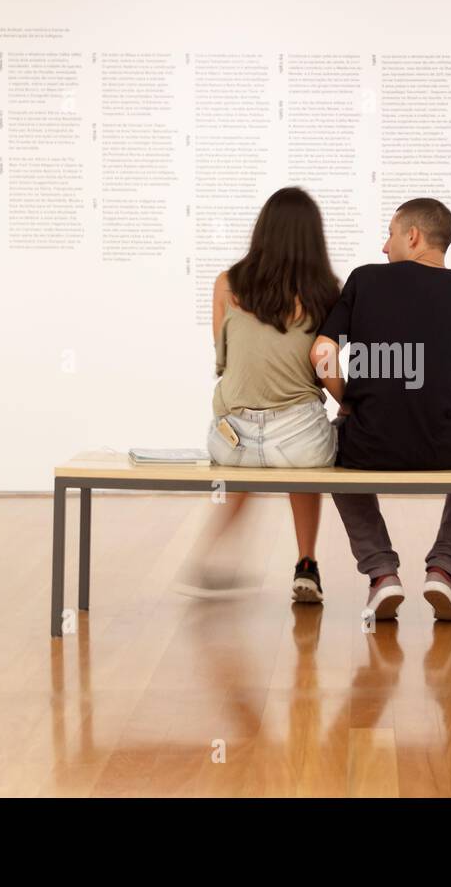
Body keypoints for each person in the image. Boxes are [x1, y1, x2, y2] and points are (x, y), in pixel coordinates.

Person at [309, 198, 451, 623]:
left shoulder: (365, 281)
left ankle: (381, 572)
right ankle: (445, 566)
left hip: (368, 446)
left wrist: (349, 402)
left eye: (389, 234)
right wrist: (445, 411)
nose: (384, 248)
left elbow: (322, 351)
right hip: (450, 449)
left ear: (413, 236)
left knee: (334, 454)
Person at [176, 187, 341, 603]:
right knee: (304, 461)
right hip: (300, 442)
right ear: (312, 236)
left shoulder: (227, 284)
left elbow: (225, 357)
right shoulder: (326, 289)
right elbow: (324, 367)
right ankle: (307, 563)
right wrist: (351, 402)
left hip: (233, 441)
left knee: (247, 461)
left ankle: (208, 554)